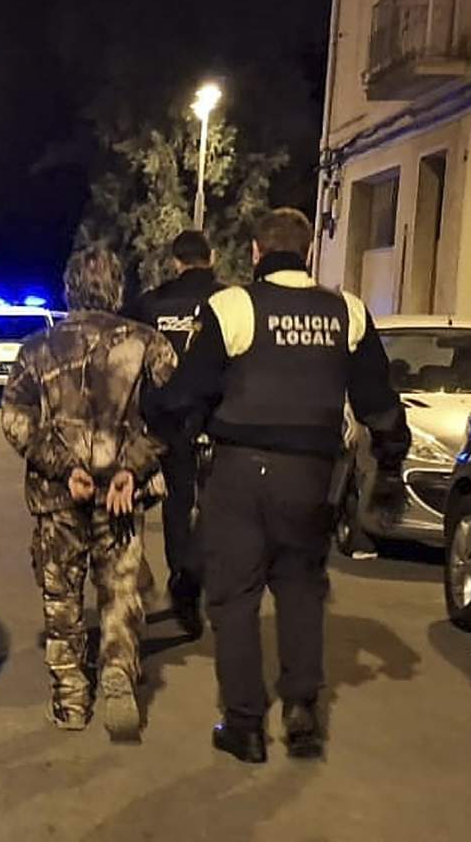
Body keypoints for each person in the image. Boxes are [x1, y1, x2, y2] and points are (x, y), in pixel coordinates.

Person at [143, 208, 411, 764]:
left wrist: (165, 427)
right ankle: (302, 713)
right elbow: (379, 403)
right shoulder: (348, 311)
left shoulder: (234, 306)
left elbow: (189, 390)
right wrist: (388, 465)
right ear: (309, 252)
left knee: (236, 596)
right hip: (312, 477)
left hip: (240, 472)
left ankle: (244, 725)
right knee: (301, 589)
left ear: (257, 253)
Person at [1, 248, 175, 740]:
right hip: (123, 495)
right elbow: (172, 415)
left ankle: (71, 699)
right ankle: (119, 669)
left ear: (68, 288)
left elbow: (17, 420)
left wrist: (63, 467)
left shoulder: (37, 348)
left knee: (61, 596)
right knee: (121, 590)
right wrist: (132, 468)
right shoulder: (149, 344)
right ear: (118, 288)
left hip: (59, 497)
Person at [126, 228, 224, 640]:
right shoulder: (228, 301)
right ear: (213, 256)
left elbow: (129, 360)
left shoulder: (150, 303)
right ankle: (191, 585)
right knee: (215, 511)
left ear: (174, 261)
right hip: (215, 422)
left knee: (169, 507)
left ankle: (154, 589)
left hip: (160, 421)